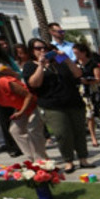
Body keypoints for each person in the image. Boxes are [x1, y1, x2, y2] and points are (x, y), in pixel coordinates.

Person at [23, 37, 91, 172]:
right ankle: (69, 160)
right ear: (31, 51)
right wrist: (41, 65)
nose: (42, 50)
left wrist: (66, 58)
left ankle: (83, 159)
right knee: (62, 133)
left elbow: (77, 74)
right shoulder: (30, 65)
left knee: (79, 132)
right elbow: (34, 84)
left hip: (73, 101)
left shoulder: (58, 61)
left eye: (45, 48)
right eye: (38, 48)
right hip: (52, 105)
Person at [74, 43, 100, 146]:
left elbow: (98, 78)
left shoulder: (93, 63)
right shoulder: (75, 64)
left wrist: (88, 81)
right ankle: (93, 138)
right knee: (89, 116)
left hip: (94, 90)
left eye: (77, 53)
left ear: (84, 52)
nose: (76, 55)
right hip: (83, 92)